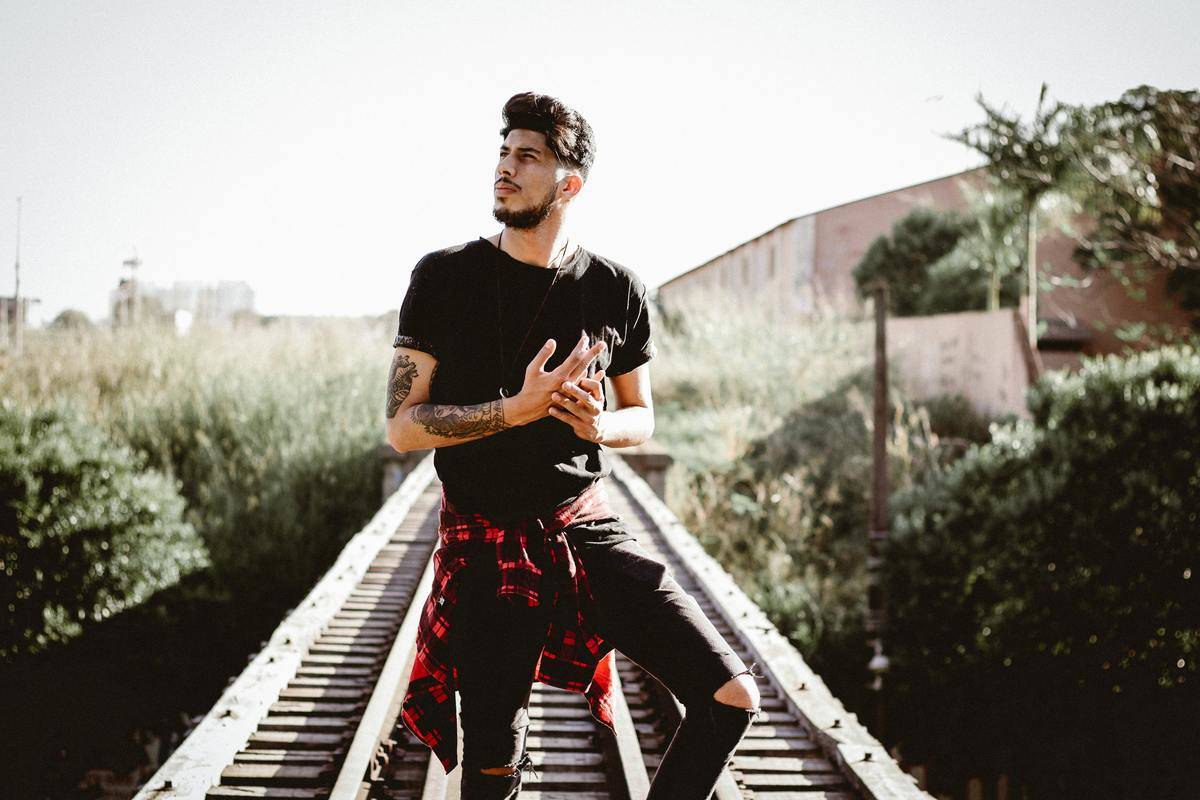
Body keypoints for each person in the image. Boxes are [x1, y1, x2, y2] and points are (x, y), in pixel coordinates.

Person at [385, 91, 761, 799]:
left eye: (527, 156)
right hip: (486, 548)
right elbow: (402, 426)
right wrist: (513, 410)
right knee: (494, 770)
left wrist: (597, 428)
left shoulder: (617, 289)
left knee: (731, 696)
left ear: (569, 183)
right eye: (503, 151)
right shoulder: (443, 278)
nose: (506, 167)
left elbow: (639, 416)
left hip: (582, 529)